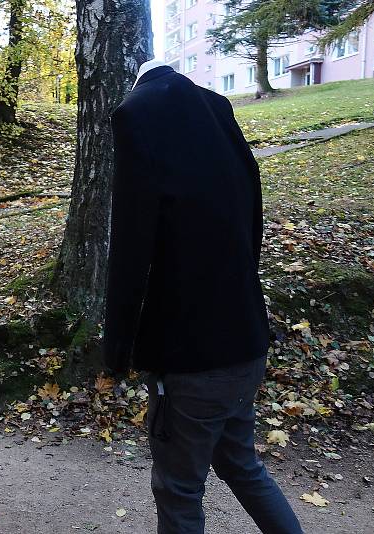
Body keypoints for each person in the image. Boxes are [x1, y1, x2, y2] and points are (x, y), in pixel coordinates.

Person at [103, 61, 303, 533]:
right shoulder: (217, 109)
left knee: (178, 489)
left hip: (191, 357)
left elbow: (131, 248)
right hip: (245, 341)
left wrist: (117, 350)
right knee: (242, 465)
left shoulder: (137, 114)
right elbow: (252, 216)